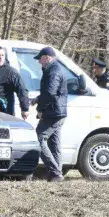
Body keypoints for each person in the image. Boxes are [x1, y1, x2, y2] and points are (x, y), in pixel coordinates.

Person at [29, 46, 68, 182]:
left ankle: (55, 172)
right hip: (57, 112)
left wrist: (40, 109)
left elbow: (51, 93)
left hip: (53, 113)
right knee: (54, 143)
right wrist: (38, 99)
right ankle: (57, 174)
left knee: (40, 138)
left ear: (46, 57)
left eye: (40, 59)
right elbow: (50, 91)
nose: (39, 62)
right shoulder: (53, 69)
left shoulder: (53, 71)